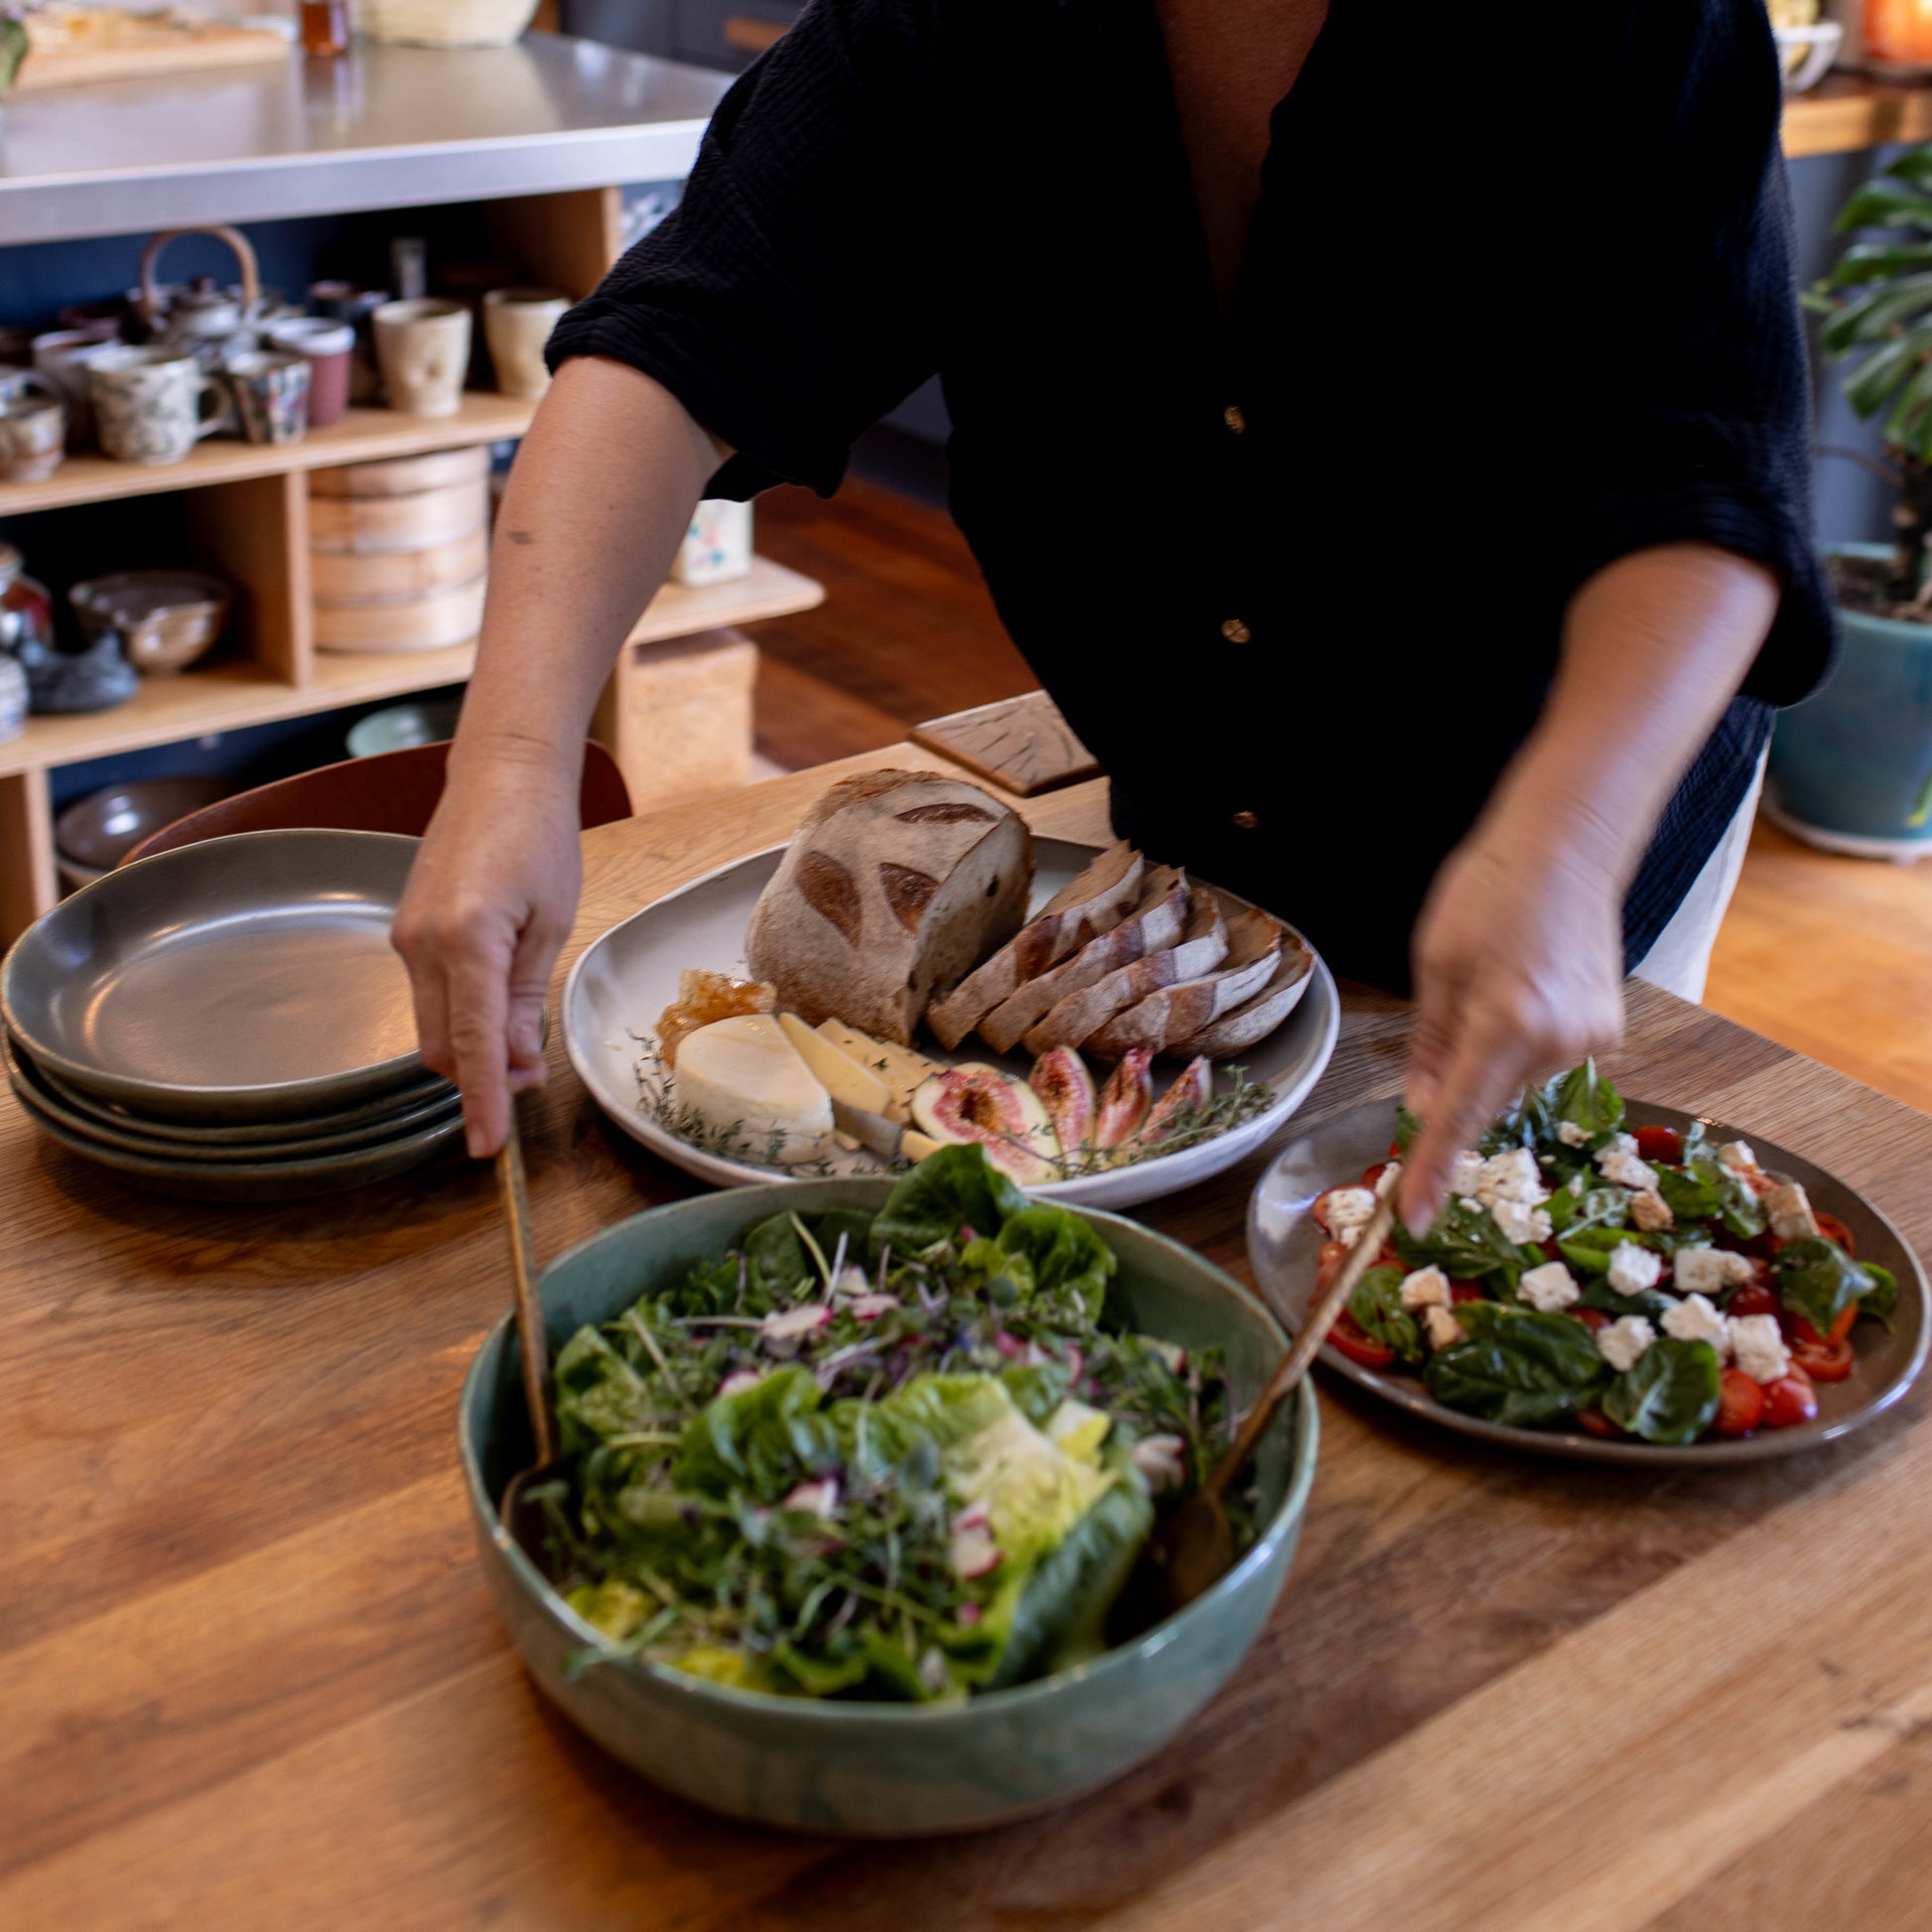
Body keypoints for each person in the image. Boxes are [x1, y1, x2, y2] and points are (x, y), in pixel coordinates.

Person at [392, 0, 1829, 1234]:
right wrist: (511, 762)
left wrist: (1566, 851)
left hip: (1573, 796)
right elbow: (687, 334)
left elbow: (1705, 464)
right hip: (1196, 821)